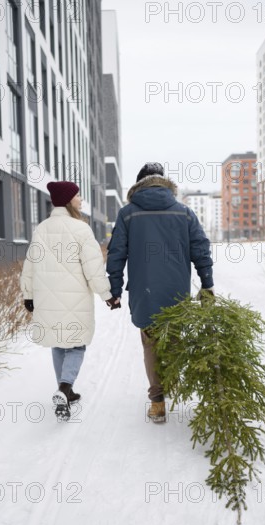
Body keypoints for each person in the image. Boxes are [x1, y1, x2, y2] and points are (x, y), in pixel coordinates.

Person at [106, 163, 214, 423]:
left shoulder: (128, 214)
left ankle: (157, 403)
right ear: (164, 183)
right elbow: (201, 249)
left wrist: (115, 289)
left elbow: (116, 254)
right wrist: (207, 285)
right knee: (174, 338)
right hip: (176, 291)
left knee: (151, 343)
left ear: (139, 183)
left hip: (145, 292)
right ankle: (172, 382)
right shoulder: (185, 213)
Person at [20, 180, 119, 420]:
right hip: (75, 299)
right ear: (67, 200)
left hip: (47, 298)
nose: (81, 199)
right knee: (75, 344)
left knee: (58, 342)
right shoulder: (81, 229)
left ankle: (66, 391)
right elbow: (93, 268)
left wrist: (28, 295)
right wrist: (107, 295)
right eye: (77, 196)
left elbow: (30, 264)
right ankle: (65, 387)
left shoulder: (41, 228)